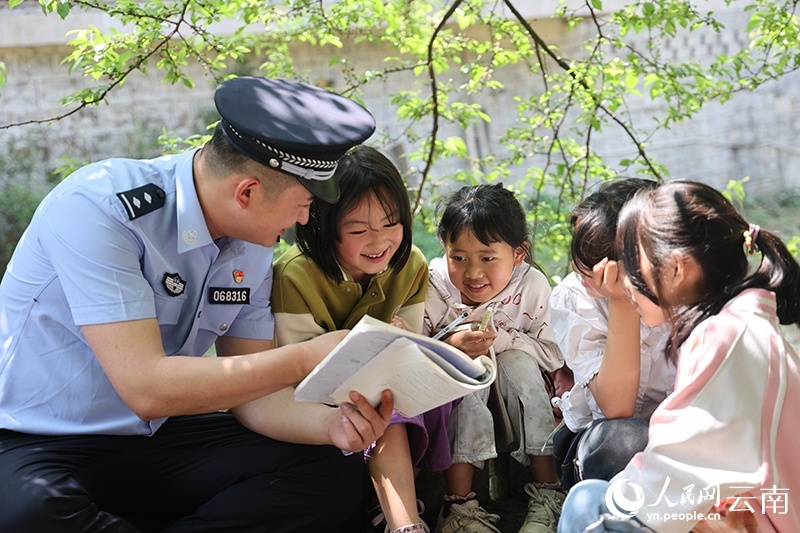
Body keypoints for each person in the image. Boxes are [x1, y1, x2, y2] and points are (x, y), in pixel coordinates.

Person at [0, 76, 395, 532]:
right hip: (37, 438)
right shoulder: (99, 208)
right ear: (246, 193)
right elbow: (146, 388)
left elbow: (254, 395)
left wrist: (331, 429)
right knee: (26, 514)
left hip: (159, 438)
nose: (305, 220)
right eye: (303, 203)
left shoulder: (253, 239)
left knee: (331, 470)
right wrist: (306, 357)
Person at [558, 180, 800, 532]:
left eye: (633, 265)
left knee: (585, 504)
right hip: (761, 512)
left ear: (675, 268)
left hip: (757, 520)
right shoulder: (742, 323)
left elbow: (674, 475)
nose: (625, 285)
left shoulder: (722, 337)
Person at [265, 144, 444, 533]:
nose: (379, 241)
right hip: (320, 408)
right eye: (359, 230)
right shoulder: (294, 275)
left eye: (391, 223)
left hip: (392, 387)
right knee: (382, 405)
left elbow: (410, 341)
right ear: (325, 226)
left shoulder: (411, 264)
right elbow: (301, 376)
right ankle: (406, 524)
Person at [424, 183, 565, 533]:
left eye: (488, 258)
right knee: (469, 371)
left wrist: (502, 340)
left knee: (519, 362)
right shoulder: (433, 284)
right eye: (459, 258)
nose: (473, 273)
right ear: (444, 247)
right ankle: (459, 507)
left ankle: (548, 493)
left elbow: (552, 352)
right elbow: (414, 346)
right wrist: (454, 343)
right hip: (458, 392)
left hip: (520, 388)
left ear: (518, 254)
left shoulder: (531, 286)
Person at [548, 178, 675, 490]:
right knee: (627, 439)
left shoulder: (681, 286)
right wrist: (621, 302)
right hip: (601, 438)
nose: (585, 274)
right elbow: (616, 409)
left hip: (676, 431)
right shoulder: (575, 295)